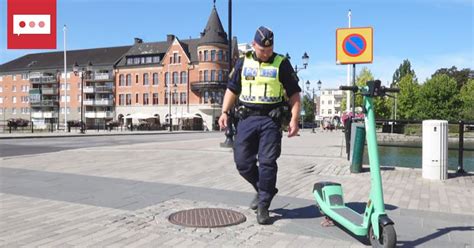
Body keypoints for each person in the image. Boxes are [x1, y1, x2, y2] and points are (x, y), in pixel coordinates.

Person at [218, 26, 301, 225]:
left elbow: (295, 94)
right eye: (262, 50)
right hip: (246, 118)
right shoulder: (242, 61)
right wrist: (224, 112)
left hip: (271, 120)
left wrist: (294, 119)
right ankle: (265, 189)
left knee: (267, 163)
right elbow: (232, 89)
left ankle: (263, 204)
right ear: (254, 44)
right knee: (243, 162)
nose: (266, 53)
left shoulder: (282, 63)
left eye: (269, 49)